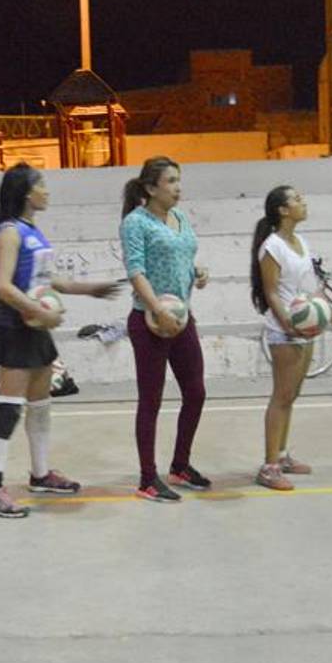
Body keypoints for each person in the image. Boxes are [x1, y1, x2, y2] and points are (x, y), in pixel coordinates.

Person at [0, 162, 121, 518]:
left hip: (36, 326)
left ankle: (40, 474)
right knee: (10, 406)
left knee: (40, 404)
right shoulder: (9, 232)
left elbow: (49, 279)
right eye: (41, 184)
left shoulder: (32, 231)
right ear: (27, 192)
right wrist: (38, 312)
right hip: (15, 324)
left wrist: (91, 289)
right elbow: (3, 285)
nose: (47, 190)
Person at [120, 156, 211, 502]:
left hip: (181, 319)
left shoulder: (180, 217)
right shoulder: (135, 223)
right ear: (150, 188)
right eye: (170, 181)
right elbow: (136, 271)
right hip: (150, 322)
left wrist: (198, 273)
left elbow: (183, 259)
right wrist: (157, 309)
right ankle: (147, 477)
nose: (177, 187)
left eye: (178, 179)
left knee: (196, 392)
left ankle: (181, 464)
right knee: (151, 400)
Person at [250, 186, 332, 491]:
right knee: (281, 396)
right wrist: (288, 324)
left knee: (292, 396)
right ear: (282, 210)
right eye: (296, 200)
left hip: (304, 328)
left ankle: (281, 457)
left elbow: (313, 289)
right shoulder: (272, 247)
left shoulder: (301, 243)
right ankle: (268, 469)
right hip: (284, 331)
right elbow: (270, 292)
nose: (303, 203)